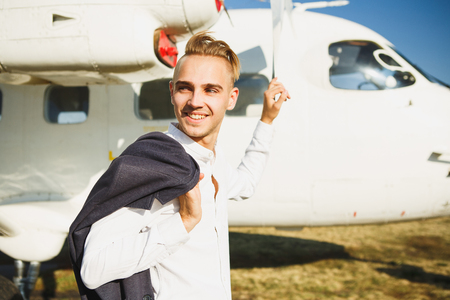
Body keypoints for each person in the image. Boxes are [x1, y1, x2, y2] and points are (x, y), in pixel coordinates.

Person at [75, 31, 289, 300]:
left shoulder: (213, 159)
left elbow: (245, 184)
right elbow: (93, 268)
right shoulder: (152, 162)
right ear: (172, 91)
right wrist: (184, 221)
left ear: (231, 98)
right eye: (185, 87)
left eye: (211, 89)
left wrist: (266, 120)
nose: (195, 101)